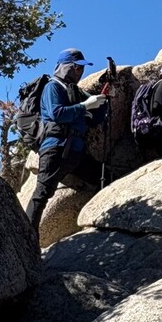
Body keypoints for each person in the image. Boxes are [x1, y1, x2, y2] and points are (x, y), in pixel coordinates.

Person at [24, 48, 109, 230]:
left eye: (81, 68)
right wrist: (84, 106)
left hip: (75, 151)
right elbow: (57, 113)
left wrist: (102, 101)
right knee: (42, 194)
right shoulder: (53, 87)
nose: (80, 71)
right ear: (65, 66)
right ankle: (25, 238)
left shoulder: (75, 91)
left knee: (105, 178)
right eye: (76, 67)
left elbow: (96, 118)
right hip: (55, 148)